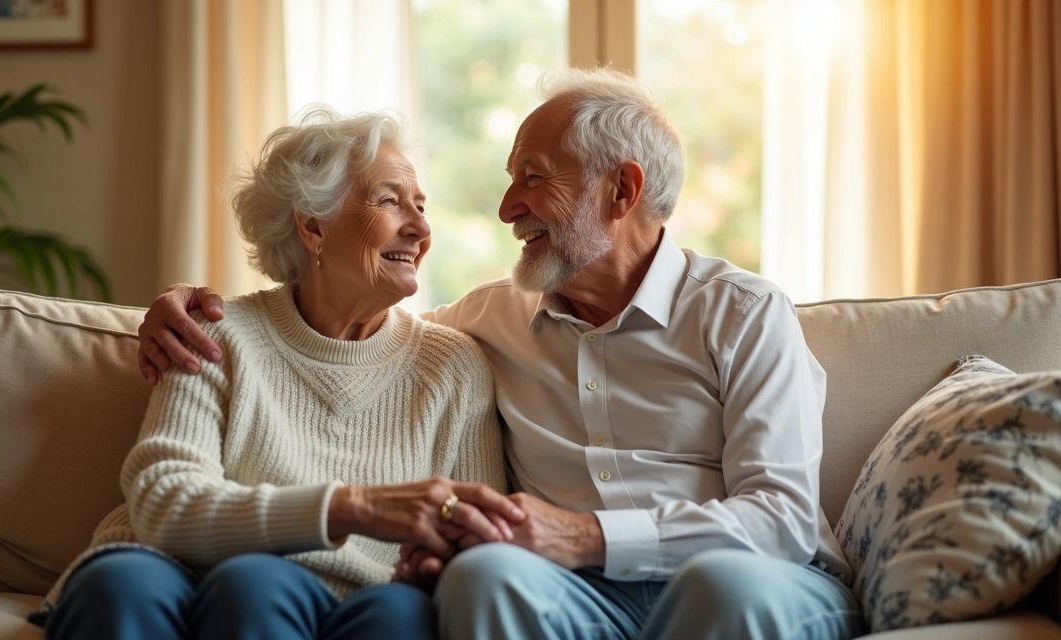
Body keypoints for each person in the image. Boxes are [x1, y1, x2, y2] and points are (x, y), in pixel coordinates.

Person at [138, 68, 863, 640]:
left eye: (533, 177)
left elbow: (780, 520)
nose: (506, 207)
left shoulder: (744, 313)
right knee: (482, 577)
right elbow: (348, 330)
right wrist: (181, 305)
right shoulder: (485, 322)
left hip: (759, 583)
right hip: (581, 597)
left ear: (622, 188)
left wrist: (585, 535)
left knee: (719, 587)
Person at [35, 107, 522, 640]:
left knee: (386, 616)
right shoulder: (216, 334)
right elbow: (163, 503)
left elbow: (478, 543)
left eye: (421, 206)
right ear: (312, 226)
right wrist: (354, 507)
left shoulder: (454, 367)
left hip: (361, 596)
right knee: (135, 586)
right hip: (177, 573)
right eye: (389, 201)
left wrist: (438, 562)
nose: (421, 228)